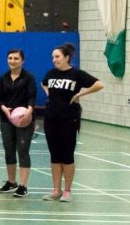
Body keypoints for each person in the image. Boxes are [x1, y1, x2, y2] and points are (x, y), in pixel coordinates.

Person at [41, 43, 104, 202]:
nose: (54, 60)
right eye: (53, 57)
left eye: (57, 57)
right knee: (54, 155)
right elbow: (44, 83)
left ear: (66, 57)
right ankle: (56, 189)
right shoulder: (51, 73)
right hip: (51, 118)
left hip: (69, 119)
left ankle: (67, 191)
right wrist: (49, 93)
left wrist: (80, 95)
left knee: (67, 155)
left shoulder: (76, 74)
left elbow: (99, 84)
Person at [0, 48, 37, 198]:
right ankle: (11, 182)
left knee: (23, 150)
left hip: (24, 120)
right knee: (9, 150)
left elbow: (32, 97)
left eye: (16, 58)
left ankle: (23, 185)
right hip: (7, 120)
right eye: (10, 58)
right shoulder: (3, 78)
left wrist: (29, 112)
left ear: (22, 61)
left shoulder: (29, 78)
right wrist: (4, 109)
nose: (12, 61)